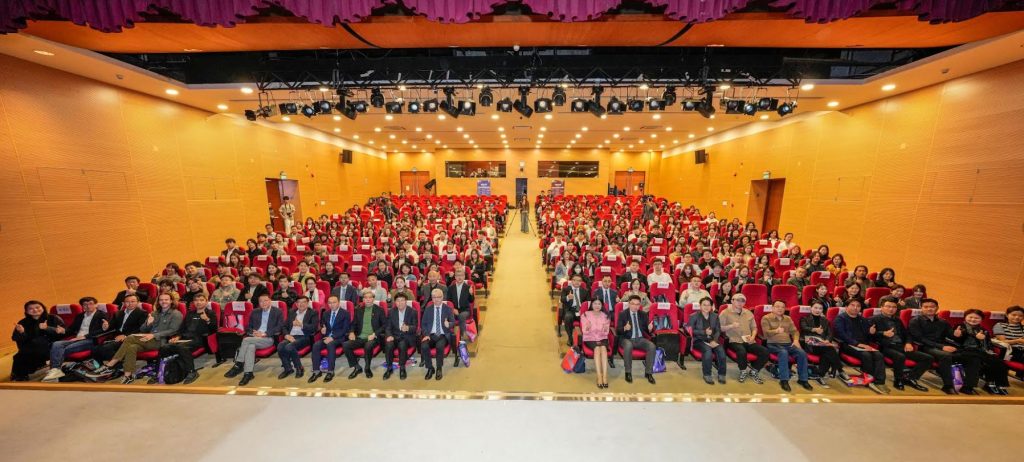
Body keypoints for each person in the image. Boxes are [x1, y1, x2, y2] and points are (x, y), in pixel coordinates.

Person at [102, 293, 183, 384]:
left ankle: (110, 364)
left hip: (161, 341)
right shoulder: (154, 313)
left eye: (166, 299)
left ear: (171, 301)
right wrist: (148, 323)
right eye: (161, 300)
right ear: (158, 301)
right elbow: (143, 329)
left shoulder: (176, 314)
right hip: (148, 339)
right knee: (132, 347)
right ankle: (128, 375)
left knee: (130, 337)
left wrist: (154, 335)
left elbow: (173, 330)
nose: (163, 301)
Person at [909, 298, 982, 395]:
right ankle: (948, 385)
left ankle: (968, 386)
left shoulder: (943, 322)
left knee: (973, 356)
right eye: (926, 307)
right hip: (926, 347)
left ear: (937, 308)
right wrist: (941, 347)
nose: (929, 309)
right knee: (946, 356)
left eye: (932, 307)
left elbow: (950, 335)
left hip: (942, 345)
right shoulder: (915, 321)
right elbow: (919, 338)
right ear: (921, 308)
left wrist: (956, 335)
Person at [868, 297, 931, 392]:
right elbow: (869, 336)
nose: (891, 309)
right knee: (900, 356)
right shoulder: (873, 319)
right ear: (881, 307)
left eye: (894, 307)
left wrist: (908, 343)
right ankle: (898, 379)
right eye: (888, 306)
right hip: (884, 346)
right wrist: (882, 333)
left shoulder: (897, 320)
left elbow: (907, 334)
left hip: (900, 346)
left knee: (928, 358)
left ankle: (910, 378)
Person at [223, 294, 284, 386]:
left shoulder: (277, 312)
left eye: (266, 300)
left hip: (268, 338)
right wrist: (253, 333)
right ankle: (248, 373)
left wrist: (264, 334)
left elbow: (279, 327)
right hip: (254, 338)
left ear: (270, 301)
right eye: (261, 301)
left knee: (246, 340)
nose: (263, 303)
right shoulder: (255, 312)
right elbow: (248, 328)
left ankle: (238, 364)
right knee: (250, 347)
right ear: (258, 303)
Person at [42, 297, 107, 381]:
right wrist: (63, 331)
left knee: (61, 349)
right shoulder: (80, 316)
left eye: (91, 304)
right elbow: (72, 329)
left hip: (90, 339)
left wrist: (85, 336)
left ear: (96, 305)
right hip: (76, 339)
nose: (88, 306)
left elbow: (103, 330)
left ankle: (55, 370)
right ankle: (55, 370)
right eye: (85, 304)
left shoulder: (102, 315)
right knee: (56, 344)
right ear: (82, 306)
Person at [156, 294, 216, 385]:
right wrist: (177, 337)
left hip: (200, 339)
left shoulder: (210, 313)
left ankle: (192, 371)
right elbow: (182, 328)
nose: (198, 302)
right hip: (185, 338)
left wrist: (207, 320)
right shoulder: (190, 313)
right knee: (164, 347)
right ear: (193, 302)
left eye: (201, 300)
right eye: (196, 300)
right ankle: (158, 372)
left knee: (181, 348)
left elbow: (214, 329)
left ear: (206, 301)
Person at [833, 300, 887, 394]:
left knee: (879, 355)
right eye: (852, 305)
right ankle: (869, 378)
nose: (855, 308)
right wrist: (858, 344)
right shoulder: (840, 319)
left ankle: (879, 381)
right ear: (846, 307)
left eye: (858, 306)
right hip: (848, 344)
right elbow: (842, 335)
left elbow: (869, 336)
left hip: (863, 345)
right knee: (866, 355)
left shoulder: (863, 320)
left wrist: (871, 332)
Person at [761, 300, 813, 391]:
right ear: (772, 308)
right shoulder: (766, 318)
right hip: (773, 344)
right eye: (777, 306)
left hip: (788, 344)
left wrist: (796, 340)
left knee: (802, 353)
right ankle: (784, 380)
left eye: (782, 307)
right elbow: (765, 334)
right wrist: (776, 331)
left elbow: (795, 332)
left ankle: (803, 379)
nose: (780, 309)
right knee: (783, 352)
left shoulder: (788, 318)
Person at [956, 309, 1010, 395]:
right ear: (965, 317)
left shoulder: (983, 330)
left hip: (980, 351)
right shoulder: (959, 327)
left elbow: (988, 343)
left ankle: (996, 384)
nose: (973, 319)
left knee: (997, 361)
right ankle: (967, 386)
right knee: (975, 361)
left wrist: (989, 349)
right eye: (970, 317)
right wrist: (974, 336)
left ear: (981, 319)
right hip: (963, 350)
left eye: (976, 318)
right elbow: (956, 340)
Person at [719, 294, 768, 384]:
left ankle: (754, 370)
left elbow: (754, 328)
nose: (740, 303)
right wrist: (731, 326)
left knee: (764, 351)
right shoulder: (725, 313)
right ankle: (743, 371)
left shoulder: (748, 313)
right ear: (732, 301)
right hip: (734, 340)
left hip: (748, 339)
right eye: (738, 300)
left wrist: (753, 336)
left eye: (742, 301)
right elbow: (719, 328)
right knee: (741, 351)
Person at [10, 300, 64, 381]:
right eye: (31, 308)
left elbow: (63, 333)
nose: (35, 310)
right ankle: (20, 375)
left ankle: (23, 372)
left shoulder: (53, 318)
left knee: (33, 349)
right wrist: (22, 332)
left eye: (37, 307)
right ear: (26, 311)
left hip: (51, 345)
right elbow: (15, 338)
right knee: (20, 356)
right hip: (31, 348)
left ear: (43, 308)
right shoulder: (23, 322)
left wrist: (47, 328)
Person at [798, 301, 846, 385]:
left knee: (827, 353)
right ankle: (840, 369)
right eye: (815, 308)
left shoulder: (825, 320)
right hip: (809, 343)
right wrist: (814, 329)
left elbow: (830, 333)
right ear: (811, 308)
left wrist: (827, 340)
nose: (818, 310)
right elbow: (804, 327)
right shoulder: (804, 318)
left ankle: (820, 374)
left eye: (820, 308)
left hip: (822, 344)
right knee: (829, 349)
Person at [343, 291, 386, 379]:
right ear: (363, 299)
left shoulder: (379, 310)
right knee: (346, 345)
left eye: (370, 297)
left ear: (373, 299)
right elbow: (353, 324)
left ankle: (367, 368)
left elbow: (384, 325)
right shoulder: (358, 310)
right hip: (360, 337)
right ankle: (357, 367)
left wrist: (375, 334)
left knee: (368, 346)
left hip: (373, 337)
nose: (368, 299)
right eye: (366, 298)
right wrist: (351, 332)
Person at [92, 294, 148, 362]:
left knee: (106, 348)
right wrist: (106, 326)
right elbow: (111, 325)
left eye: (133, 301)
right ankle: (102, 365)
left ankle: (117, 365)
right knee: (95, 349)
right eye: (127, 302)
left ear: (138, 302)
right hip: (116, 337)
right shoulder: (118, 313)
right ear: (124, 303)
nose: (130, 303)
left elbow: (141, 329)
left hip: (131, 338)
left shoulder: (143, 313)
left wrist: (125, 336)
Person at [308, 296, 351, 383]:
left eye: (334, 302)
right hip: (327, 336)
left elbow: (345, 329)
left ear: (338, 303)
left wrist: (332, 337)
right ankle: (316, 371)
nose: (332, 305)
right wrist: (323, 329)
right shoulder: (325, 313)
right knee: (316, 345)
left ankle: (330, 371)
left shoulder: (345, 313)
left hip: (340, 337)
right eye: (330, 303)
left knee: (330, 344)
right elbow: (323, 324)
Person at [616, 295, 657, 385]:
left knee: (652, 346)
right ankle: (628, 372)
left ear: (640, 305)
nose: (635, 306)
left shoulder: (643, 314)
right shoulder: (623, 314)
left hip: (640, 338)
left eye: (637, 304)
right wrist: (624, 328)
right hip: (626, 338)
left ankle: (648, 373)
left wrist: (650, 329)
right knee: (628, 345)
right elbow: (618, 330)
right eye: (633, 304)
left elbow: (646, 330)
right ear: (629, 304)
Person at [277, 296, 318, 380]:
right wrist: (286, 335)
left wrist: (301, 325)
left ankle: (299, 368)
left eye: (304, 302)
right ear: (296, 304)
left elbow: (314, 328)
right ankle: (288, 369)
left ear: (307, 303)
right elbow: (284, 326)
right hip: (291, 335)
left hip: (304, 336)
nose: (301, 304)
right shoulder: (292, 312)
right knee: (280, 346)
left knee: (289, 347)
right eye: (299, 302)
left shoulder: (313, 313)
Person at [687, 297, 726, 385]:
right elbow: (690, 330)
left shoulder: (715, 316)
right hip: (698, 340)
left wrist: (714, 340)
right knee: (707, 350)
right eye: (704, 305)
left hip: (712, 339)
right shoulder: (693, 316)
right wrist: (704, 332)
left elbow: (718, 330)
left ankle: (722, 374)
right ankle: (707, 374)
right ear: (700, 306)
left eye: (708, 305)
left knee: (721, 351)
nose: (706, 307)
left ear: (711, 306)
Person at [420, 288, 455, 381]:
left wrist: (449, 324)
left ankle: (439, 368)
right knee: (424, 346)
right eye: (434, 297)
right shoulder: (428, 309)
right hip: (431, 335)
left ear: (442, 297)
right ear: (432, 298)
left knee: (439, 346)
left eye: (438, 297)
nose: (436, 299)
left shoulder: (447, 309)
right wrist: (426, 334)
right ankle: (430, 368)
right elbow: (423, 324)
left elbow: (453, 322)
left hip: (443, 335)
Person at [383, 293, 418, 381]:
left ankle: (402, 368)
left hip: (406, 336)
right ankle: (389, 368)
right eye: (398, 301)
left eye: (402, 300)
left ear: (406, 301)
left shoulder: (412, 311)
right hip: (394, 336)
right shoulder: (391, 312)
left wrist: (408, 328)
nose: (400, 303)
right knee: (388, 345)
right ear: (395, 302)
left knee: (402, 345)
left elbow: (415, 327)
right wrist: (389, 335)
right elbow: (388, 327)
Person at [581, 298, 612, 389]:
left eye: (599, 304)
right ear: (592, 304)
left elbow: (606, 333)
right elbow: (584, 332)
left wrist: (604, 330)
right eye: (595, 303)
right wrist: (588, 328)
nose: (597, 306)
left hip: (602, 337)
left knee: (603, 349)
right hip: (590, 338)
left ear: (602, 305)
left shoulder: (605, 316)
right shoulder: (585, 315)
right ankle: (599, 376)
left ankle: (605, 376)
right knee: (597, 349)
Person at [447, 270, 475, 350]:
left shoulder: (467, 287)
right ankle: (451, 337)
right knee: (447, 315)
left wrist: (471, 294)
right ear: (455, 277)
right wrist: (453, 309)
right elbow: (448, 301)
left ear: (464, 277)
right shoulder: (451, 288)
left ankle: (463, 335)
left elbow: (471, 301)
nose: (459, 277)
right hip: (454, 309)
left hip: (465, 310)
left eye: (461, 275)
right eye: (457, 275)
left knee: (461, 316)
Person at [561, 275, 590, 346]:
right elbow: (562, 299)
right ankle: (570, 337)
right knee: (568, 317)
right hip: (570, 310)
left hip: (581, 310)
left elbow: (588, 303)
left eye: (579, 281)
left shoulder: (585, 291)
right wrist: (568, 297)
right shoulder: (566, 289)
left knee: (589, 318)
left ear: (581, 282)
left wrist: (584, 310)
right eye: (575, 280)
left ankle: (587, 339)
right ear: (572, 281)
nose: (577, 282)